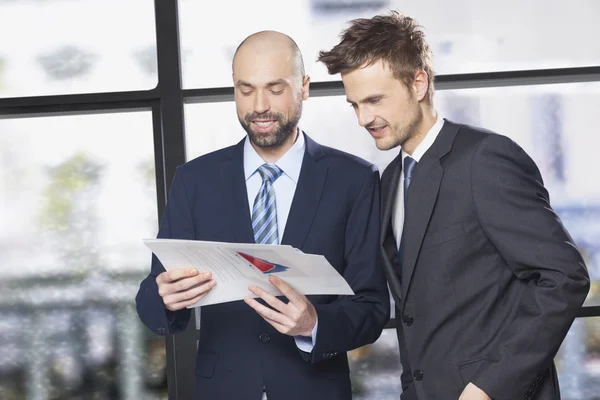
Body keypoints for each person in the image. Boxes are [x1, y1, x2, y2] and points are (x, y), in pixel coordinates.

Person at [318, 11, 590, 400]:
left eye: (375, 100)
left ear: (418, 83)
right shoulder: (389, 181)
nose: (364, 118)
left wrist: (488, 388)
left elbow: (565, 277)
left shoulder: (486, 159)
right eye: (355, 104)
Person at [136, 30, 389, 400]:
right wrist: (165, 298)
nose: (258, 106)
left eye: (275, 88)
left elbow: (371, 307)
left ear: (304, 87)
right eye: (245, 89)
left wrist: (315, 324)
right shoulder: (195, 180)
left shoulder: (354, 180)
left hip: (315, 389)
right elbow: (152, 299)